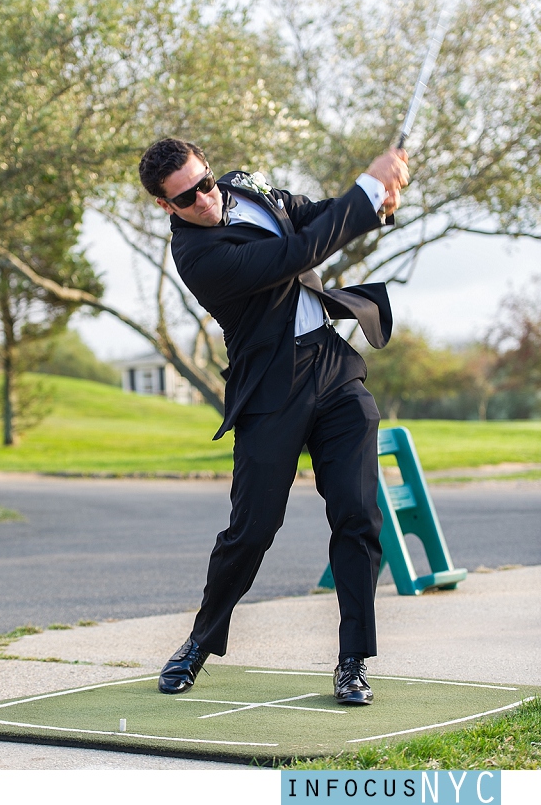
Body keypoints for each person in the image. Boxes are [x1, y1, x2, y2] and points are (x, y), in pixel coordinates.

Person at [138, 138, 408, 705]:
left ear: (211, 170)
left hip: (333, 368)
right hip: (270, 389)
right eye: (186, 198)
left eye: (205, 183)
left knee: (359, 516)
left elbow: (313, 216)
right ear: (167, 208)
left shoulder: (246, 188)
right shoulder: (199, 257)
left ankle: (353, 661)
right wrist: (364, 188)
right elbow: (298, 253)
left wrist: (380, 198)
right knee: (253, 529)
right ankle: (199, 642)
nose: (205, 201)